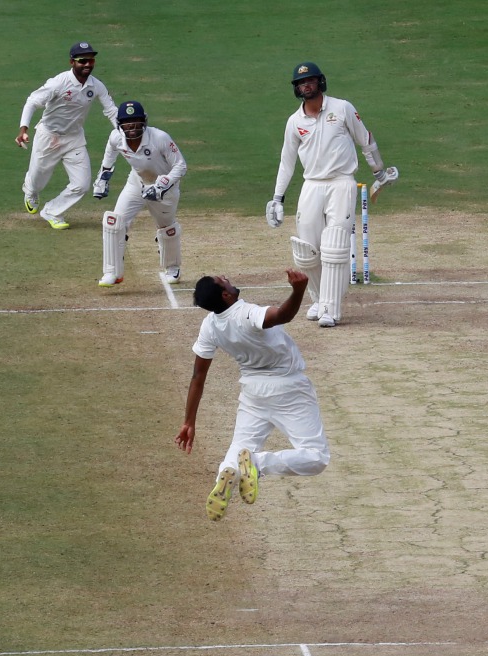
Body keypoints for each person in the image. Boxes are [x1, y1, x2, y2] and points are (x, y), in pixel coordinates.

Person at [174, 271, 331, 522]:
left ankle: (227, 472)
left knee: (240, 447)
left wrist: (189, 422)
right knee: (316, 457)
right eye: (222, 280)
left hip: (252, 393)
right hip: (289, 389)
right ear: (226, 295)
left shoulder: (210, 325)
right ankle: (259, 464)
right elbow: (283, 315)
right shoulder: (246, 313)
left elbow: (198, 376)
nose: (225, 277)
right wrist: (299, 290)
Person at [266, 61, 399, 328]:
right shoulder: (294, 122)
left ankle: (331, 309)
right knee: (306, 249)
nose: (306, 85)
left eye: (310, 81)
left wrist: (379, 172)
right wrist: (277, 198)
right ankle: (318, 298)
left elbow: (366, 140)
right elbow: (286, 162)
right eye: (301, 83)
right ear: (297, 88)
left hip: (342, 182)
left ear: (320, 82)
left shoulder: (342, 108)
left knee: (335, 246)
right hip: (311, 185)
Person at [16, 41, 118, 230]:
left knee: (82, 184)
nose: (88, 64)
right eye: (83, 61)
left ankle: (52, 212)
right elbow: (32, 101)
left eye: (91, 60)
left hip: (74, 139)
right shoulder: (58, 83)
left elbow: (111, 111)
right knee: (38, 180)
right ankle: (30, 191)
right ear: (72, 62)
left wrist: (124, 132)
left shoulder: (96, 86)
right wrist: (24, 129)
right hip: (48, 136)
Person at [91, 100, 188, 287]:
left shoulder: (160, 138)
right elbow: (109, 157)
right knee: (115, 222)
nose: (132, 126)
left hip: (165, 189)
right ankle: (112, 272)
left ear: (144, 121)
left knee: (167, 228)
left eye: (135, 121)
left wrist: (162, 185)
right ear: (120, 124)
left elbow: (181, 166)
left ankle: (172, 268)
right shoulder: (116, 138)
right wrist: (102, 180)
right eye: (127, 122)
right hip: (136, 183)